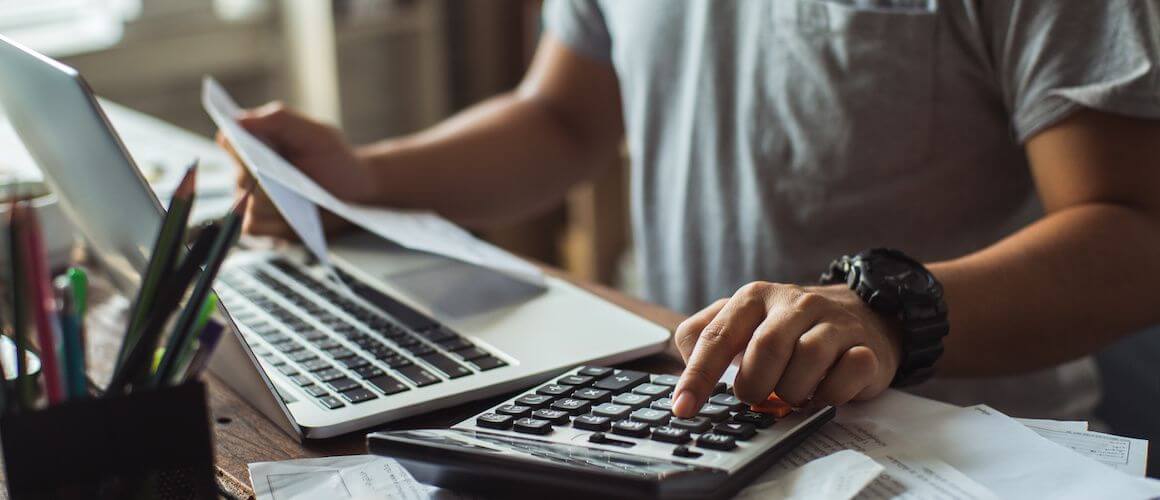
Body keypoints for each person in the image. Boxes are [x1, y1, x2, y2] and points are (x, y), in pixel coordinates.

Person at [221, 0, 1160, 422]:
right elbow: (562, 118)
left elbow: (1133, 230)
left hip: (951, 448)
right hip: (684, 416)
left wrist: (883, 308)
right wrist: (363, 180)